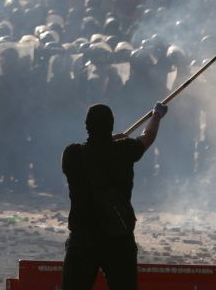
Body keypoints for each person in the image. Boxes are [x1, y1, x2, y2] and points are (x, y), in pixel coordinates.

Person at [61, 102, 167, 290]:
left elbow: (97, 151)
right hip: (118, 237)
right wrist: (156, 115)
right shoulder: (124, 150)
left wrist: (109, 141)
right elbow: (147, 136)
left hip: (83, 238)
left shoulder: (72, 154)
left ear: (86, 126)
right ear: (111, 125)